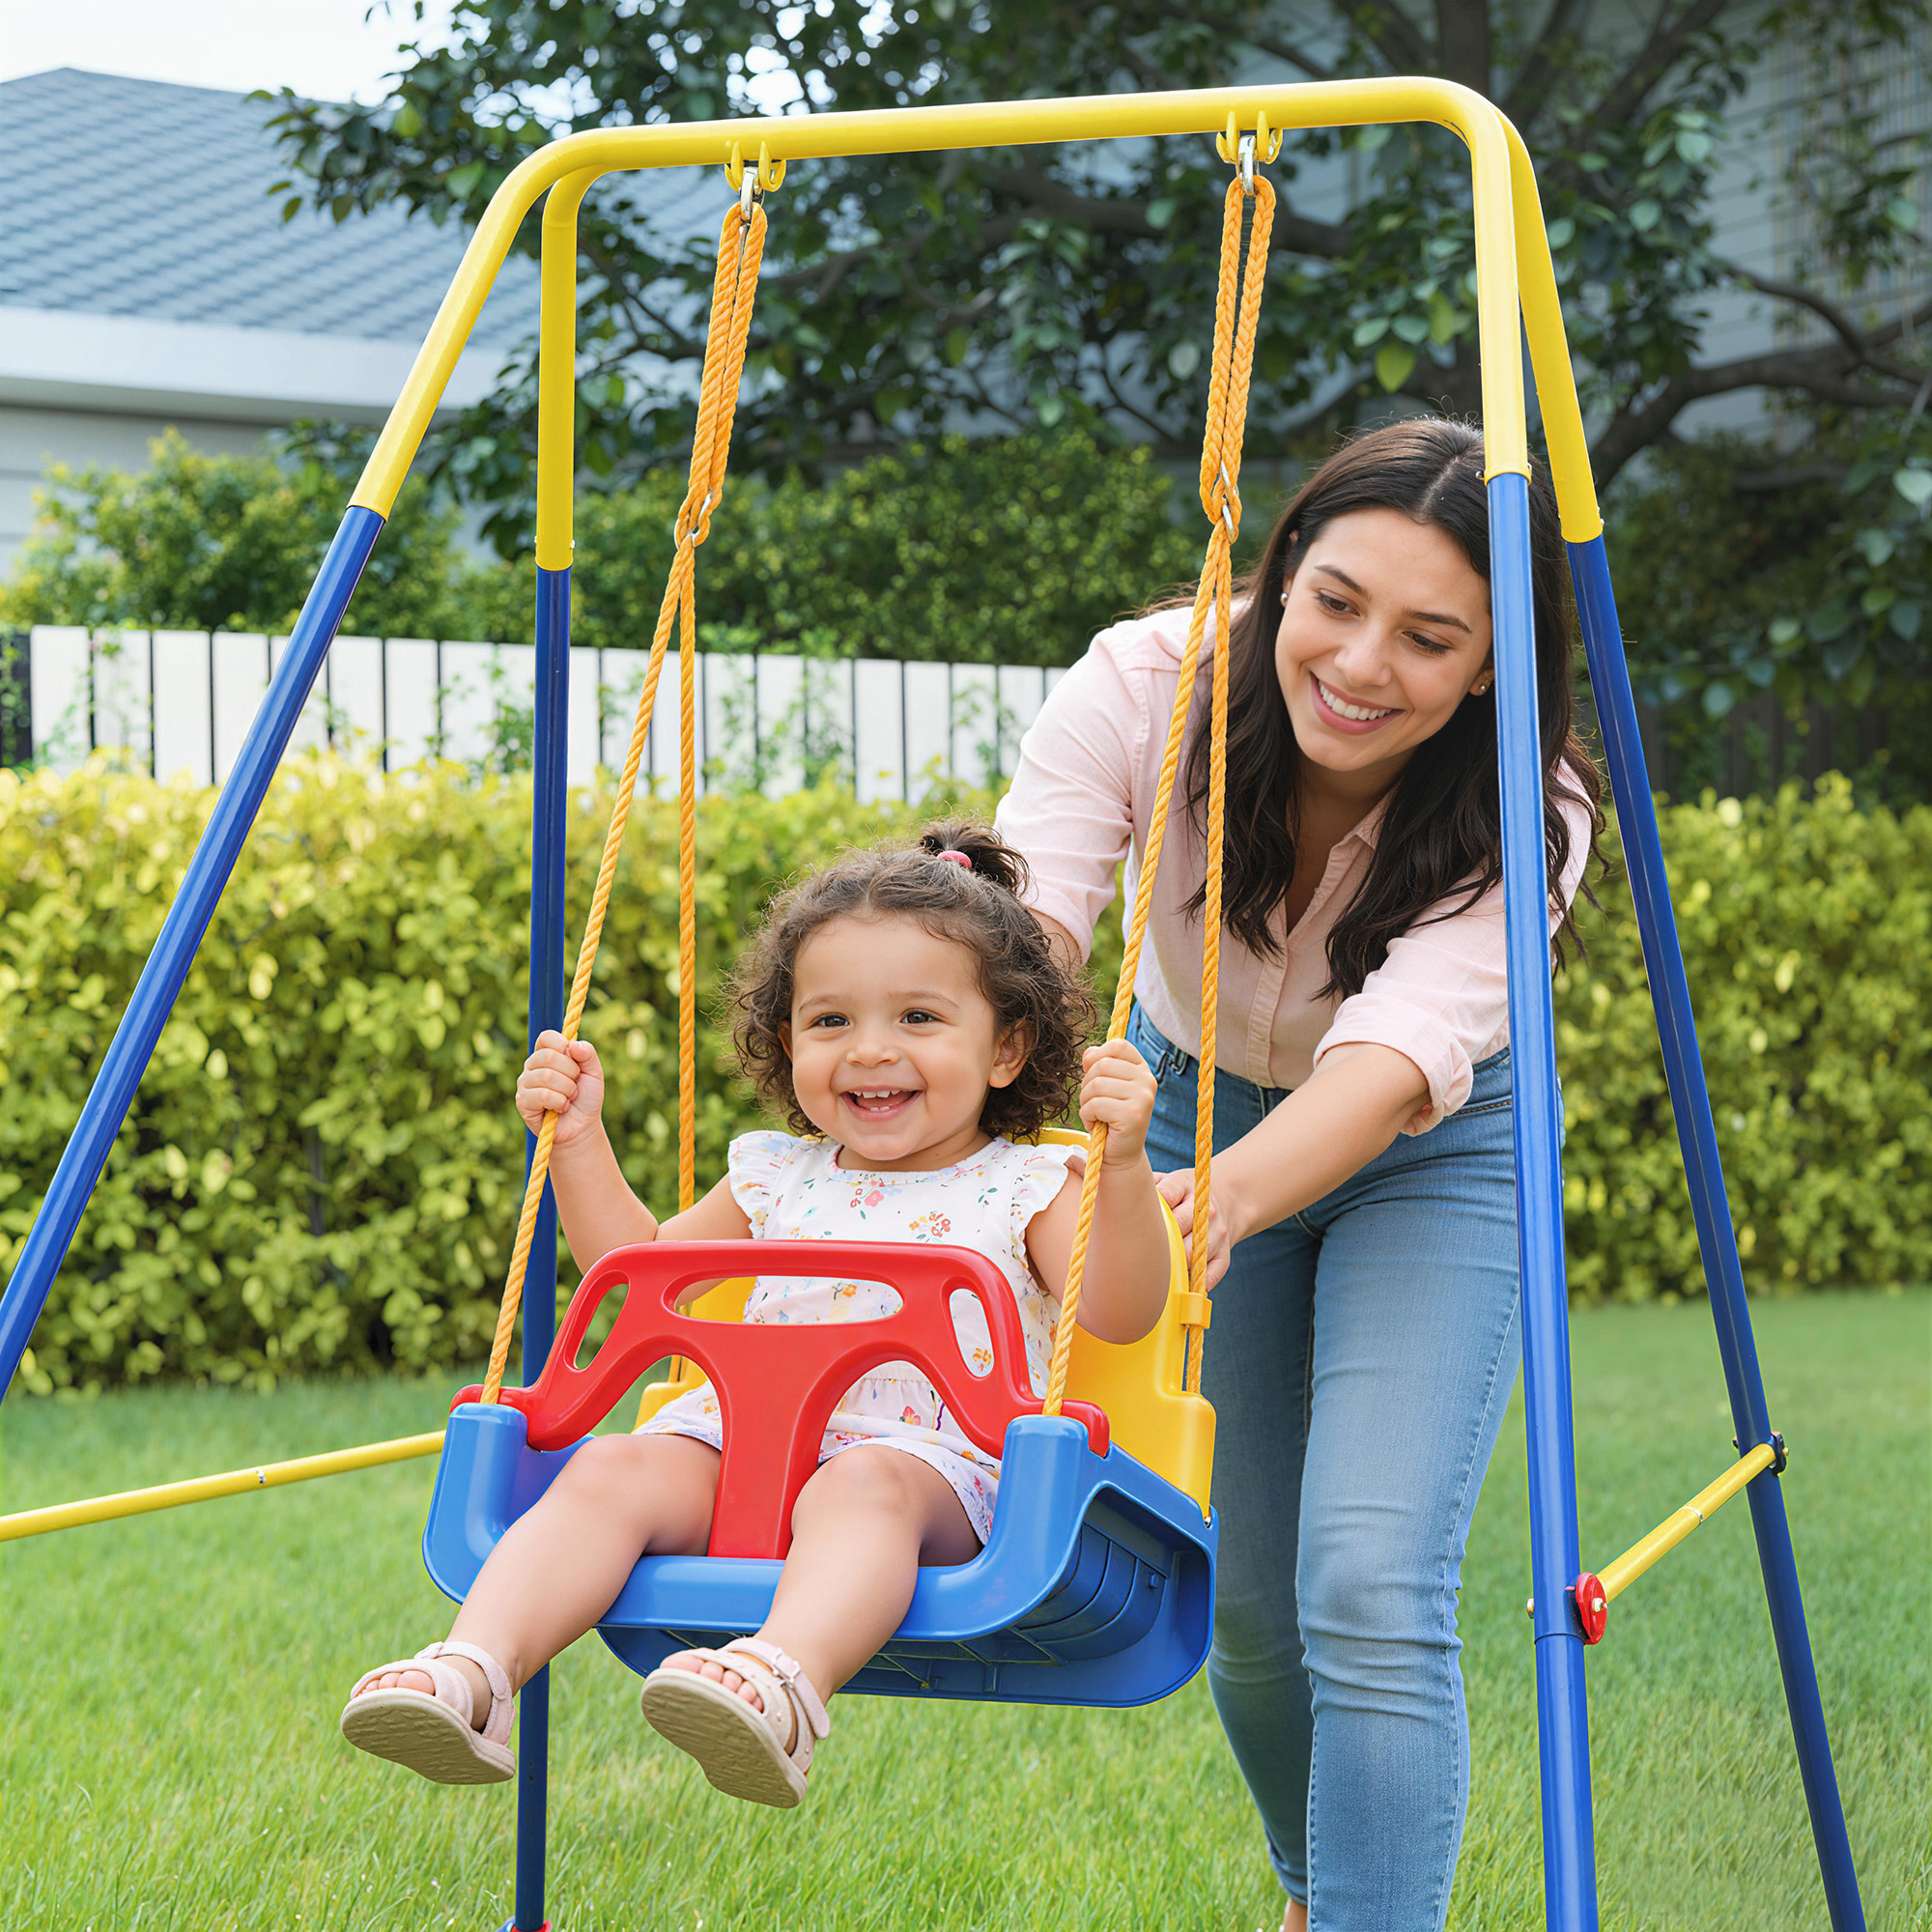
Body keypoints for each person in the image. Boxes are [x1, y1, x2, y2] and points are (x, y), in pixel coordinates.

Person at [993, 418, 1606, 1931]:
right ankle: (1318, 1893)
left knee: (1370, 1585)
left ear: (1487, 670)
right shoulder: (1150, 685)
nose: (1361, 662)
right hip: (1194, 1105)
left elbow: (1392, 1062)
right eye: (1334, 600)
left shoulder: (1528, 811)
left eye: (1431, 636)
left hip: (1434, 1149)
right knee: (1256, 1612)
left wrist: (1232, 1198)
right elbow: (1028, 936)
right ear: (1282, 572)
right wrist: (945, 1045)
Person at [339, 821, 1171, 1808]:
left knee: (862, 1483)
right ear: (787, 1043)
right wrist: (577, 1142)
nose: (869, 1050)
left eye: (916, 1017)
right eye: (829, 1022)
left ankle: (781, 1679)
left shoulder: (1027, 1181)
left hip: (929, 1470)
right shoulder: (775, 1174)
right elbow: (639, 1273)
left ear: (1007, 1046)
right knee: (609, 1462)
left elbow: (1118, 1309)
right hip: (738, 1453)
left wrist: (1120, 1167)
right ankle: (473, 1670)